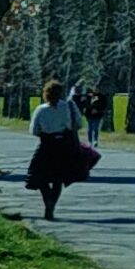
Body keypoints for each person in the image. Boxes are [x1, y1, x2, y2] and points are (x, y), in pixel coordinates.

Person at [28, 79, 96, 219]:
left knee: (41, 177)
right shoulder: (69, 106)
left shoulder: (41, 109)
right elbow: (78, 124)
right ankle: (51, 205)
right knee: (58, 178)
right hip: (65, 145)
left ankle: (48, 201)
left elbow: (34, 130)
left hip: (46, 145)